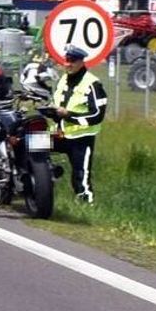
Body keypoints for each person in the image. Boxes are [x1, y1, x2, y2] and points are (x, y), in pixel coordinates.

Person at [51, 44, 107, 204]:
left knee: (81, 176)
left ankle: (85, 204)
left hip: (81, 138)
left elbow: (98, 115)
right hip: (60, 134)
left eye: (72, 61)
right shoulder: (63, 79)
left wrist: (69, 116)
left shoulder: (93, 84)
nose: (68, 64)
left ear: (82, 62)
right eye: (66, 60)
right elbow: (59, 103)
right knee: (30, 144)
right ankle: (39, 180)